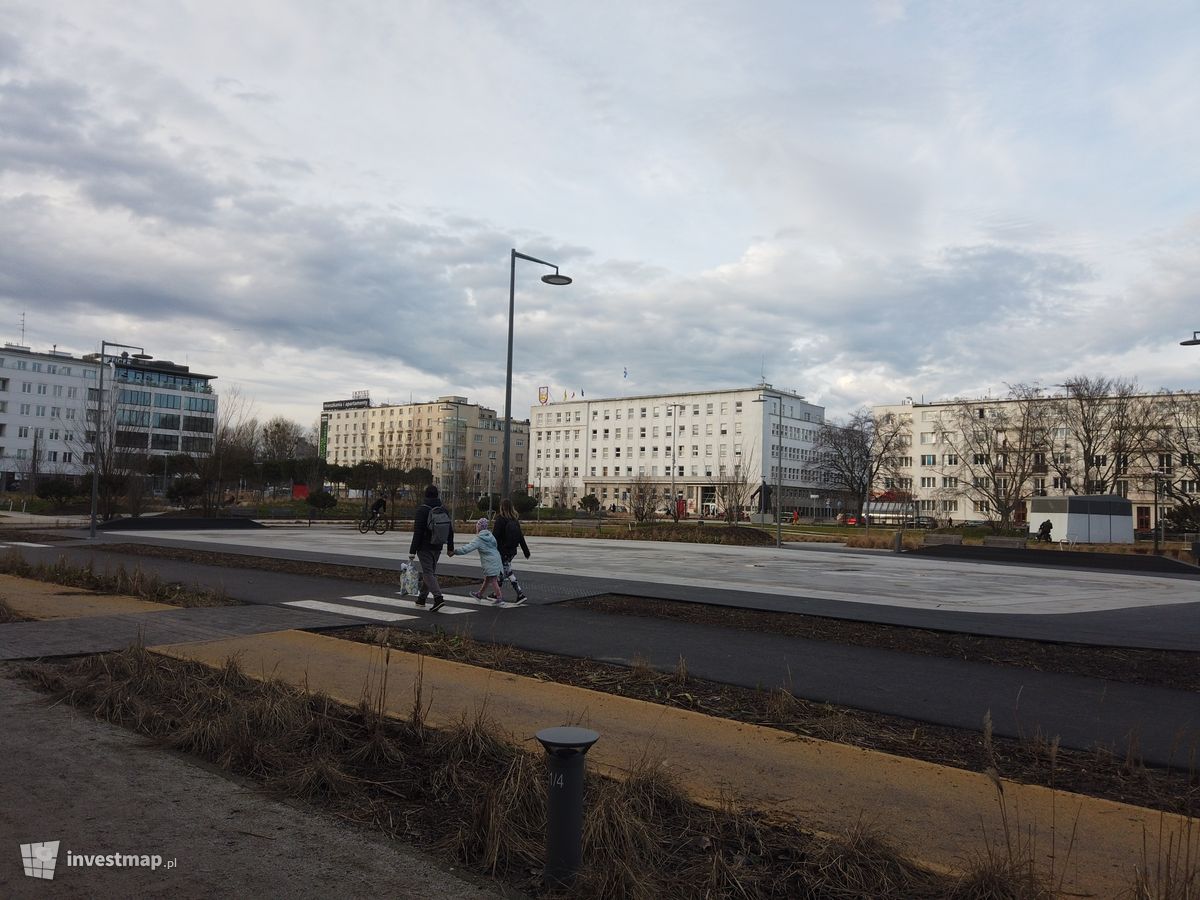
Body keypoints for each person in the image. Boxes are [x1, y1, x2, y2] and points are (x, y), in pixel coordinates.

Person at [409, 485, 454, 612]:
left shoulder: (422, 510)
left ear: (426, 495)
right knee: (430, 573)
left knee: (428, 573)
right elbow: (450, 530)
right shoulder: (443, 509)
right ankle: (422, 599)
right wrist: (450, 547)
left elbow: (417, 532)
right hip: (438, 546)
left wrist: (412, 551)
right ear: (437, 495)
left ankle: (438, 598)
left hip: (424, 546)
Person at [450, 517, 503, 603]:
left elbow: (467, 548)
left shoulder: (479, 539)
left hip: (489, 561)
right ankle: (479, 594)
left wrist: (455, 552)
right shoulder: (491, 536)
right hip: (496, 559)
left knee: (493, 579)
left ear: (478, 527)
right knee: (488, 578)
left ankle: (499, 597)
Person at [492, 498, 530, 604]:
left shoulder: (500, 519)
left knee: (507, 572)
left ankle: (520, 594)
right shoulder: (514, 520)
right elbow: (520, 537)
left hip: (502, 550)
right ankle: (496, 594)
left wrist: (489, 549)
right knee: (503, 572)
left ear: (501, 507)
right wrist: (526, 551)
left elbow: (494, 537)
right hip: (512, 551)